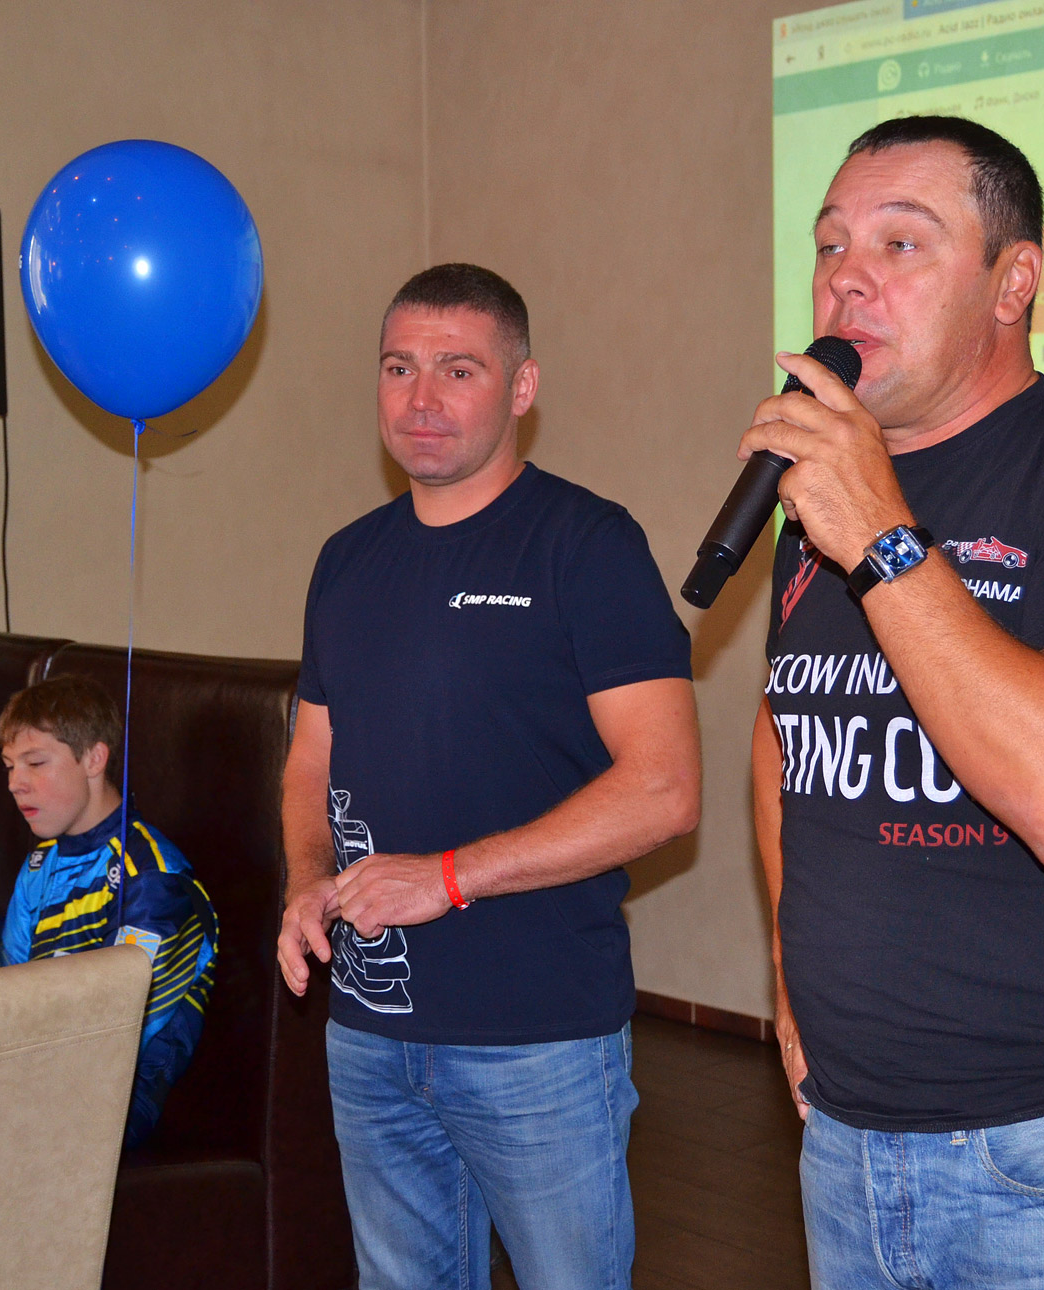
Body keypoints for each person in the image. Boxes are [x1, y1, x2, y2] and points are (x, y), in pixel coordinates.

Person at [743, 115, 1044, 1288]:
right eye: (830, 244)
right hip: (847, 1141)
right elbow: (784, 730)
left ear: (1014, 283)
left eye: (902, 244)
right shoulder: (824, 500)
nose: (847, 276)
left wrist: (882, 538)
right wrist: (789, 974)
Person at [275, 263, 701, 1290]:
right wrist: (305, 880)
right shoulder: (345, 560)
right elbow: (310, 761)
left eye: (457, 370)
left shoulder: (586, 546)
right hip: (370, 1029)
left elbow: (664, 790)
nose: (420, 399)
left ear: (521, 387)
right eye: (399, 368)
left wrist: (447, 877)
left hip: (536, 1037)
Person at [0, 674, 216, 1148]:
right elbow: (1, 985)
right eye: (9, 766)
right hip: (37, 1074)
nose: (15, 783)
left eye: (36, 763)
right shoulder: (40, 863)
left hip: (121, 1101)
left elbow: (119, 1027)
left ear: (94, 759)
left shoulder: (154, 877)